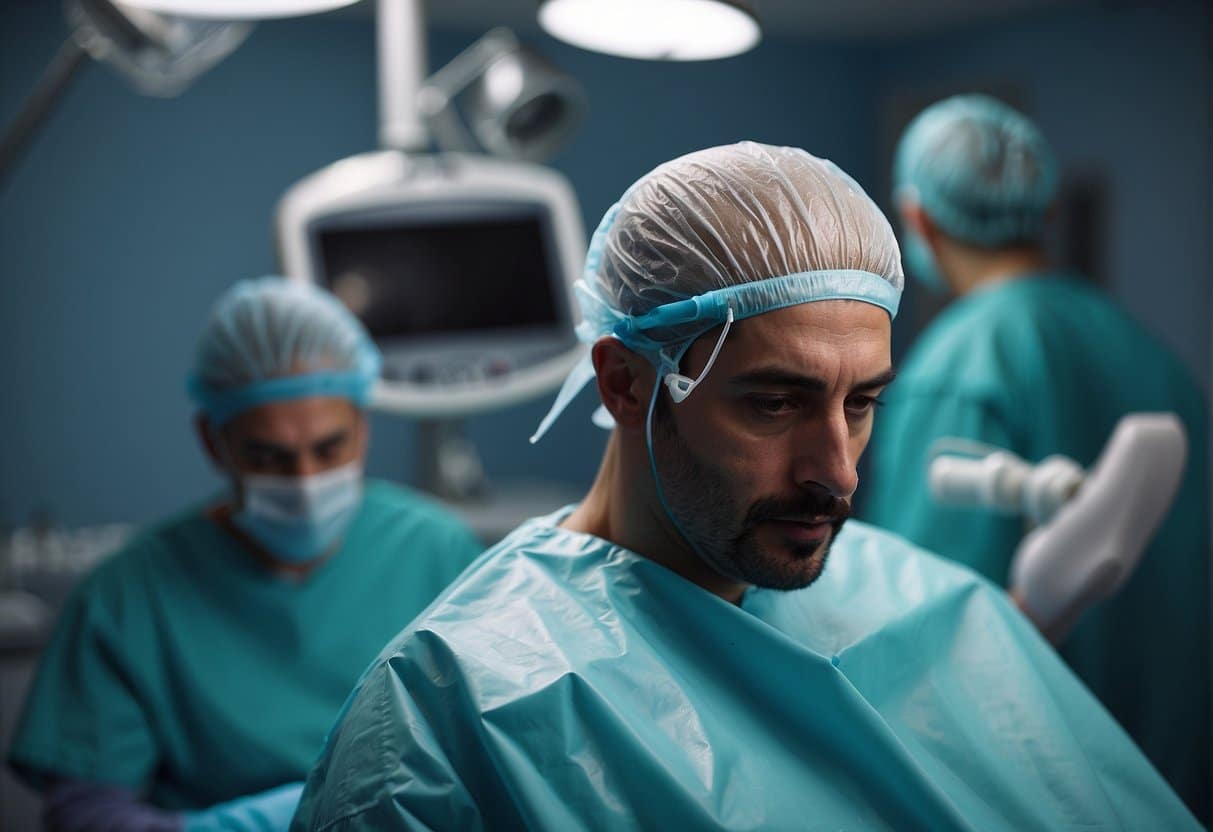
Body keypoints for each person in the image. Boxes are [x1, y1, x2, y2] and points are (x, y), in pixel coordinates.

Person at [289, 143, 1198, 831]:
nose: (836, 473)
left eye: (862, 404)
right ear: (625, 382)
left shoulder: (928, 603)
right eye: (774, 403)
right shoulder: (449, 709)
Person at [7, 278, 486, 831]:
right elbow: (87, 815)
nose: (305, 481)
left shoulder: (436, 552)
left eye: (329, 448)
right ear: (214, 442)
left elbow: (490, 754)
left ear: (363, 427)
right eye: (269, 456)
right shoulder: (127, 597)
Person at [861, 94, 1209, 821]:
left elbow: (915, 634)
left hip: (1036, 787)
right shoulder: (1149, 353)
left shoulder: (962, 364)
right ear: (1045, 214)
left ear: (916, 218)